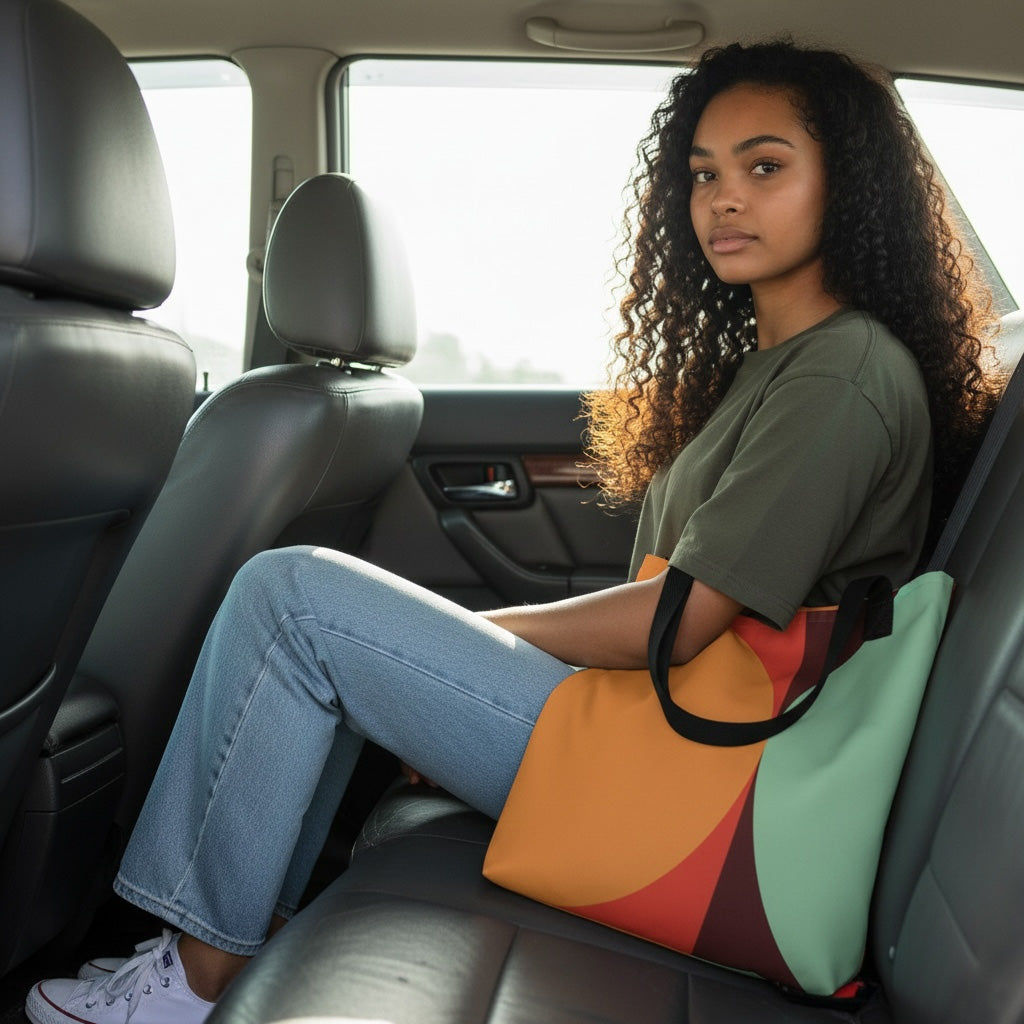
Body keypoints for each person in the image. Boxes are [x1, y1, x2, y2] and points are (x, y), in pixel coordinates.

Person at [27, 38, 998, 1024]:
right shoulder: (786, 365)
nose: (722, 198)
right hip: (671, 738)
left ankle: (191, 984)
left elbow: (683, 622)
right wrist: (451, 664)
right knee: (326, 629)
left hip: (701, 777)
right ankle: (228, 949)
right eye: (702, 173)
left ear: (850, 183)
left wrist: (482, 644)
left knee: (292, 601)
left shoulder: (842, 377)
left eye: (764, 165)